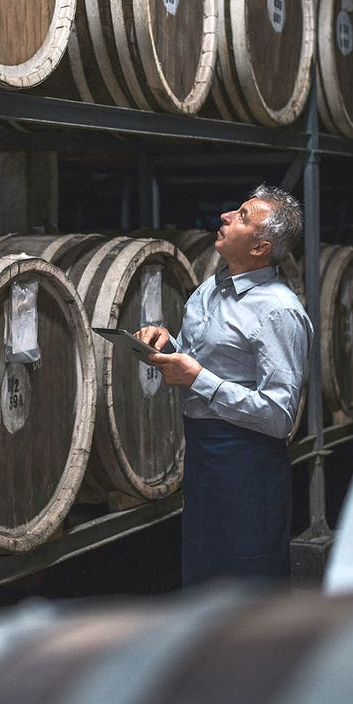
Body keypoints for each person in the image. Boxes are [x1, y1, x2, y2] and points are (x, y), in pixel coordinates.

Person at [137, 184, 311, 585]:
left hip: (248, 462)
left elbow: (280, 416)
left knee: (248, 577)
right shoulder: (210, 289)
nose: (226, 217)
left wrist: (197, 379)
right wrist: (169, 343)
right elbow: (208, 360)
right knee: (204, 570)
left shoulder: (278, 311)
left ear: (259, 248)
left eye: (243, 217)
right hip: (203, 456)